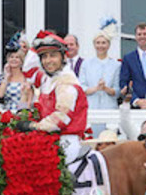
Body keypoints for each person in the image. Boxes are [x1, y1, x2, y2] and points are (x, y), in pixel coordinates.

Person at [30, 32, 89, 162]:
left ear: (63, 57)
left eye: (53, 55)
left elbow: (61, 117)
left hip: (67, 140)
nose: (48, 60)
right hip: (50, 137)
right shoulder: (49, 80)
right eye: (44, 57)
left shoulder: (67, 81)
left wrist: (33, 126)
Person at [79, 30, 121, 134]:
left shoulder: (116, 65)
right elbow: (81, 87)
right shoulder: (86, 64)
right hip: (91, 107)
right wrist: (96, 88)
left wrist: (105, 88)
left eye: (103, 42)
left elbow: (117, 91)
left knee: (109, 139)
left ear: (108, 45)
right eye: (98, 43)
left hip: (109, 108)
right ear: (94, 44)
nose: (100, 46)